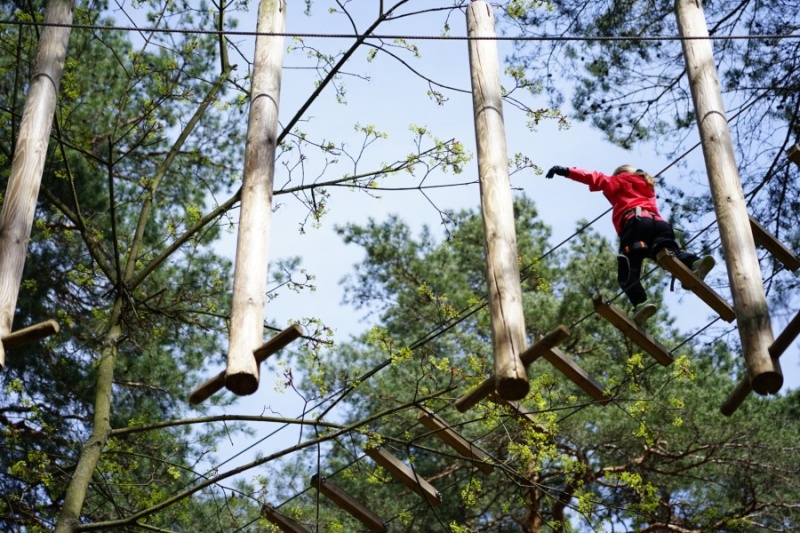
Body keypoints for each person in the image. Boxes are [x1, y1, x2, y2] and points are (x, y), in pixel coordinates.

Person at [545, 164, 715, 325]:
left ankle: (641, 303)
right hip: (660, 225)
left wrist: (566, 171)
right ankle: (695, 262)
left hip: (636, 223)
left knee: (627, 269)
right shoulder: (645, 184)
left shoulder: (620, 179)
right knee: (669, 254)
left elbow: (594, 178)